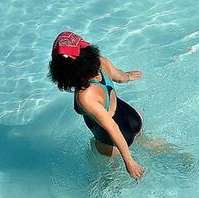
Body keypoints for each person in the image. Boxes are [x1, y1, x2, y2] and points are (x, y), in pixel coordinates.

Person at [47, 31, 145, 179]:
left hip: (112, 140)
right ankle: (183, 159)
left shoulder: (85, 96)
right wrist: (128, 76)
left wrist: (129, 161)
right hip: (132, 117)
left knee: (108, 176)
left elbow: (112, 127)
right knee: (147, 142)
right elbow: (120, 76)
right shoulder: (102, 62)